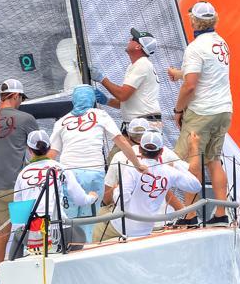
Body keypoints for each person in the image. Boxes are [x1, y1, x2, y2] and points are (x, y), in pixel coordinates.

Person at [49, 85, 145, 237]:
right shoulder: (101, 114)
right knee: (90, 219)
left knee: (68, 219)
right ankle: (87, 247)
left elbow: (52, 154)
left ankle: (69, 251)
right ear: (92, 99)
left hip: (67, 175)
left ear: (73, 100)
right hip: (94, 175)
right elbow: (121, 140)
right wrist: (137, 164)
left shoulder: (61, 121)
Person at [167, 1, 231, 225]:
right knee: (213, 161)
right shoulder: (221, 43)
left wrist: (178, 110)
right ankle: (221, 215)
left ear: (193, 21)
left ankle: (190, 215)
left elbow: (191, 86)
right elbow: (206, 72)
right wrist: (180, 72)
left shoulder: (194, 48)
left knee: (185, 162)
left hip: (202, 112)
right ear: (214, 20)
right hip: (224, 109)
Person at [92, 132, 201, 242]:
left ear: (139, 149)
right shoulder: (169, 171)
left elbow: (120, 199)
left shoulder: (131, 168)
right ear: (161, 151)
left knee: (95, 235)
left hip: (121, 227)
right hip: (145, 229)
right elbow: (196, 186)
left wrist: (116, 189)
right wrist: (176, 165)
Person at [0, 79, 40, 273]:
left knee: (2, 234)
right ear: (15, 95)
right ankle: (31, 275)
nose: (21, 102)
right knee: (30, 230)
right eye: (21, 98)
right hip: (17, 189)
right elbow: (38, 149)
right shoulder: (26, 119)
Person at [14, 130, 98, 252]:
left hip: (33, 230)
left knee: (18, 237)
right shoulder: (61, 168)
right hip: (58, 228)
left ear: (29, 150)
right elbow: (81, 200)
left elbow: (18, 217)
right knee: (79, 235)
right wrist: (92, 197)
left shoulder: (22, 174)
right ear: (49, 148)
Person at [104, 118, 196, 214]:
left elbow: (106, 200)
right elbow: (193, 172)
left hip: (132, 221)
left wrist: (115, 189)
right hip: (163, 220)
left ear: (129, 137)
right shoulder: (166, 153)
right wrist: (194, 147)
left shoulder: (118, 157)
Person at [90, 28, 162, 133]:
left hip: (143, 123)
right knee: (120, 150)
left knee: (126, 150)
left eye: (133, 39)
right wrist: (107, 101)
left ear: (138, 46)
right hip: (139, 122)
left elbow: (122, 95)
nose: (129, 39)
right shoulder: (136, 65)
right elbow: (125, 102)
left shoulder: (142, 64)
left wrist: (102, 79)